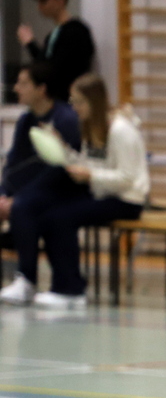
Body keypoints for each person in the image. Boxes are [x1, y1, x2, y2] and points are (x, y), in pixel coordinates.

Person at [17, 74, 147, 310]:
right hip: (103, 193)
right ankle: (63, 285)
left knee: (62, 219)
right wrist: (63, 149)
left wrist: (91, 176)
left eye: (79, 102)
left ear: (93, 101)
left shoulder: (120, 131)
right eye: (72, 101)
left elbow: (128, 178)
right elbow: (87, 164)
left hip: (127, 200)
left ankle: (71, 290)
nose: (74, 108)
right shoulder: (92, 128)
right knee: (48, 216)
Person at [0, 62, 86, 306]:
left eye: (23, 83)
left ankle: (26, 279)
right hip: (34, 191)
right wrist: (4, 192)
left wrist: (17, 199)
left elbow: (60, 169)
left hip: (64, 189)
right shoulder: (26, 120)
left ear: (41, 89)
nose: (16, 88)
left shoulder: (66, 119)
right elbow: (14, 164)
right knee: (16, 204)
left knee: (23, 207)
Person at [18, 0, 95, 102]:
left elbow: (54, 69)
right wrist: (29, 43)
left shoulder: (76, 31)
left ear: (60, 0)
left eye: (44, 1)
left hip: (70, 99)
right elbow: (44, 65)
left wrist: (30, 44)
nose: (39, 7)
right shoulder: (54, 34)